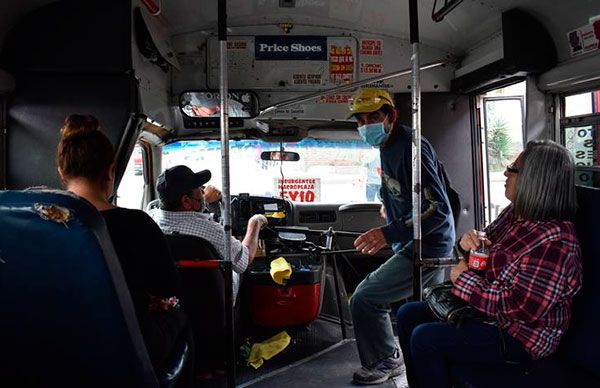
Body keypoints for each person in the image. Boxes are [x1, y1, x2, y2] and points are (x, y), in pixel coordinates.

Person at [396, 140, 582, 388]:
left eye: (513, 169)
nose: (505, 172)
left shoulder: (555, 243)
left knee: (425, 338)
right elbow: (482, 249)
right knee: (407, 314)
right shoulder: (515, 214)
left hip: (521, 336)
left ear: (535, 180)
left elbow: (520, 308)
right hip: (489, 315)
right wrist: (466, 244)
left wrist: (464, 281)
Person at [56, 114, 192, 380]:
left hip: (57, 344)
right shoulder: (136, 224)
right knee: (180, 315)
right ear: (110, 171)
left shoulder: (38, 224)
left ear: (62, 173)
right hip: (126, 345)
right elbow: (169, 289)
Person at [347, 88, 455, 385]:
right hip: (413, 240)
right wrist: (389, 205)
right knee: (420, 312)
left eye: (373, 117)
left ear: (391, 115)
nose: (365, 125)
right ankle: (405, 362)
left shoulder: (411, 148)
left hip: (428, 245)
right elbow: (400, 188)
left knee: (365, 298)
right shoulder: (387, 145)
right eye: (360, 120)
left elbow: (437, 208)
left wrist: (389, 232)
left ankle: (387, 360)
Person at [147, 165, 267, 301]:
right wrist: (255, 223)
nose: (203, 191)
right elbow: (244, 260)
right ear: (186, 201)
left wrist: (200, 201)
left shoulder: (149, 219)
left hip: (171, 299)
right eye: (199, 189)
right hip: (213, 305)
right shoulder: (211, 230)